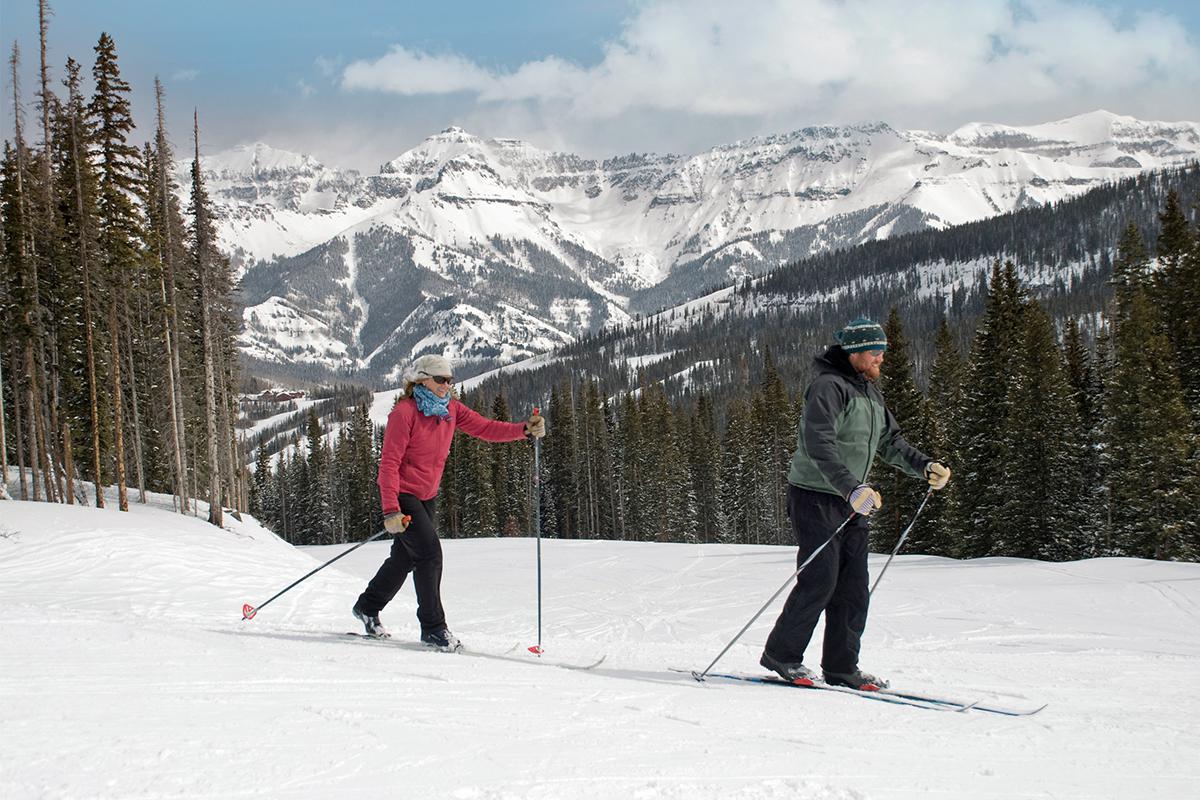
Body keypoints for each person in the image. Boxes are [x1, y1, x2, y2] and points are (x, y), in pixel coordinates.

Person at [760, 318, 951, 690]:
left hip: (852, 500)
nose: (881, 358)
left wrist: (925, 466)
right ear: (854, 353)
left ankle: (841, 666)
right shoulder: (828, 387)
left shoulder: (869, 393)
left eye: (883, 352)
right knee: (821, 579)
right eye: (875, 352)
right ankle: (782, 655)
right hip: (816, 495)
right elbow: (819, 445)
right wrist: (851, 489)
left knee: (853, 587)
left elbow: (891, 442)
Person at [352, 354, 546, 650]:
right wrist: (391, 509)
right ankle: (432, 628)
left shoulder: (449, 410)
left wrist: (523, 430)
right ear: (422, 380)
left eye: (450, 380)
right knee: (429, 555)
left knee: (404, 559)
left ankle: (367, 606)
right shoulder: (404, 413)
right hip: (404, 495)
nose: (447, 385)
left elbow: (484, 427)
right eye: (440, 380)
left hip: (427, 496)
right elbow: (388, 465)